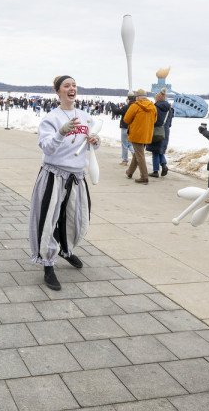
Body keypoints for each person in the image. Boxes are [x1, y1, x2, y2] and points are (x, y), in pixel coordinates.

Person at [28, 75, 100, 291]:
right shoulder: (51, 119)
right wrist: (61, 132)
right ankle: (48, 265)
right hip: (54, 175)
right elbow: (47, 147)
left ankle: (65, 249)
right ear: (57, 91)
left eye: (74, 85)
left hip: (77, 177)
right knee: (48, 220)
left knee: (78, 219)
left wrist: (95, 142)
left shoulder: (86, 117)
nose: (72, 89)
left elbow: (89, 147)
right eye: (67, 86)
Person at [122, 89, 156, 184]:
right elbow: (155, 120)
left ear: (137, 97)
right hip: (147, 134)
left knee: (139, 155)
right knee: (138, 153)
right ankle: (130, 172)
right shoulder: (152, 106)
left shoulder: (135, 106)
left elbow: (126, 119)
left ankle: (144, 176)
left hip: (136, 134)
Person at [149, 90, 173, 178]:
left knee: (155, 151)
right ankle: (163, 165)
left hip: (156, 131)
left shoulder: (155, 107)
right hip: (165, 131)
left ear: (157, 99)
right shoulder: (169, 108)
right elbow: (170, 122)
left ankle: (155, 171)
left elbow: (153, 120)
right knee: (160, 150)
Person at [113, 92, 133, 165]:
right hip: (132, 128)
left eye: (127, 99)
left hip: (125, 127)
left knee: (125, 144)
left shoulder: (126, 107)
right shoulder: (136, 106)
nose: (126, 101)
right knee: (130, 144)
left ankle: (125, 160)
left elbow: (117, 111)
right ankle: (136, 157)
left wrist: (113, 106)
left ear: (129, 99)